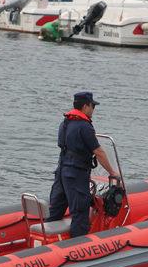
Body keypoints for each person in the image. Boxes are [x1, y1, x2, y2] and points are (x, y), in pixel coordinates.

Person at [46, 92, 119, 238]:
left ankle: (47, 243)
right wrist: (112, 172)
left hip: (61, 171)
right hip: (76, 174)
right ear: (85, 106)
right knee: (80, 212)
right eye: (92, 106)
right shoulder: (84, 127)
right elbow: (98, 152)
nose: (93, 110)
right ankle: (78, 249)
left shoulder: (65, 123)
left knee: (56, 210)